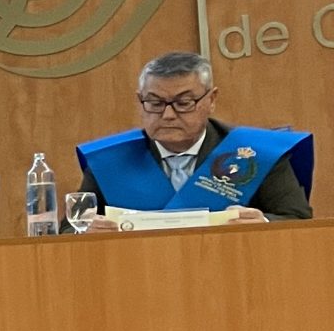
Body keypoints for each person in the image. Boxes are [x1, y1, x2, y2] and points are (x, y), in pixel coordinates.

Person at [73, 51, 313, 226]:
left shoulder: (256, 154)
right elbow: (68, 228)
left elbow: (299, 221)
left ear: (211, 100)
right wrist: (87, 230)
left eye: (183, 103)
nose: (167, 115)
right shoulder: (111, 161)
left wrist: (264, 222)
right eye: (155, 103)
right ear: (140, 100)